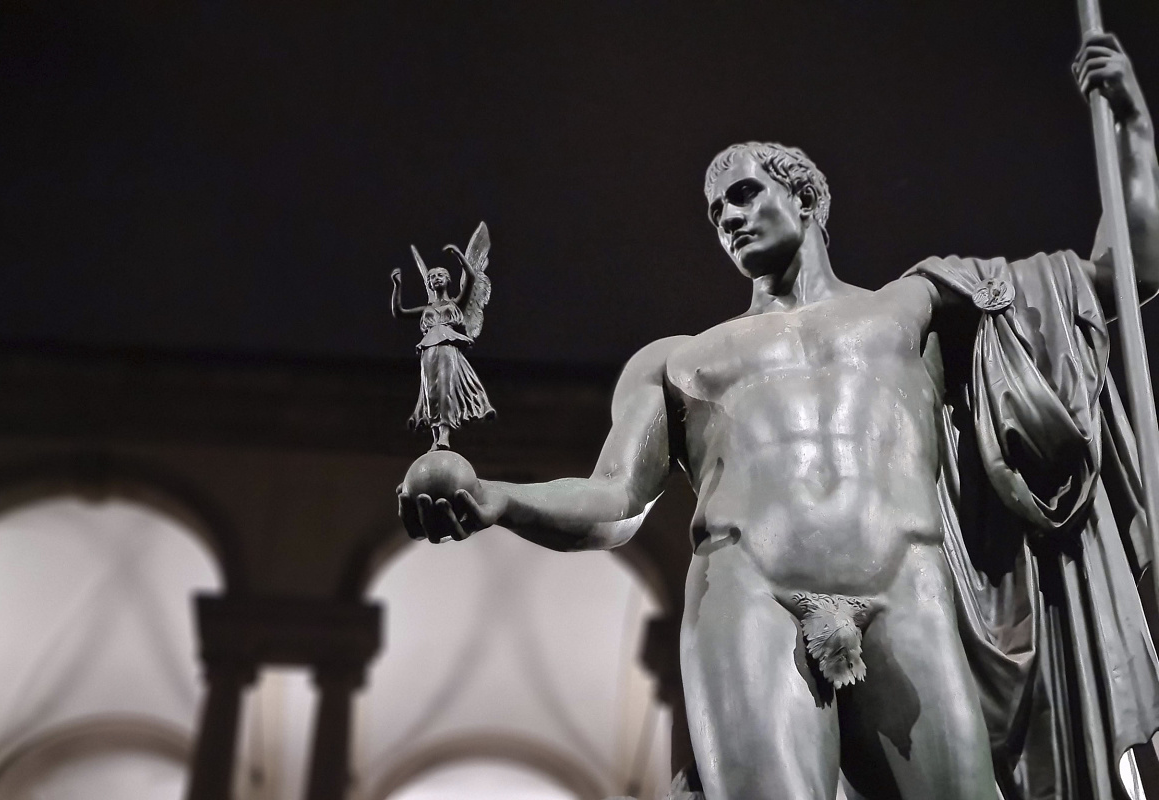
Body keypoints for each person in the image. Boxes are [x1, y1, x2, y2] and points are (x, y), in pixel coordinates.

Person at [399, 33, 1159, 799]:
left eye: (745, 193)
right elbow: (610, 504)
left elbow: (1122, 275)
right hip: (749, 590)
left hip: (907, 587)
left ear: (805, 197)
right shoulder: (679, 360)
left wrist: (1133, 127)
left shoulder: (916, 308)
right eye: (715, 211)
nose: (728, 217)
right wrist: (498, 497)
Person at [391, 233, 495, 451]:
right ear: (429, 283)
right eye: (432, 277)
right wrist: (397, 285)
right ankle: (435, 434)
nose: (436, 278)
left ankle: (445, 433)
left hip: (448, 346)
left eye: (440, 275)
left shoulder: (457, 302)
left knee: (446, 387)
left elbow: (472, 277)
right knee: (431, 391)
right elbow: (399, 312)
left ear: (448, 280)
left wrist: (458, 254)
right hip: (429, 347)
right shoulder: (426, 309)